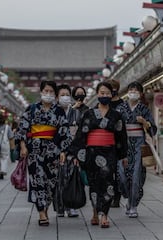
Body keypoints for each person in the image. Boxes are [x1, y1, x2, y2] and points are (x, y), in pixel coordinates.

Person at [68, 82, 128, 228]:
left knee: (108, 183)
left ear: (111, 94)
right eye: (102, 93)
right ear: (97, 94)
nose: (105, 95)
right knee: (94, 183)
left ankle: (105, 215)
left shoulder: (116, 115)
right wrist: (77, 155)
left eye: (107, 93)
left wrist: (123, 155)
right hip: (92, 153)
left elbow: (121, 136)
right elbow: (81, 136)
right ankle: (95, 212)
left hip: (109, 152)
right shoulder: (88, 114)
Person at [15, 80, 72, 227]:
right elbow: (22, 129)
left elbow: (64, 131)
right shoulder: (31, 109)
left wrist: (63, 150)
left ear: (55, 94)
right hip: (34, 151)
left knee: (51, 183)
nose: (48, 94)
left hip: (53, 151)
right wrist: (22, 146)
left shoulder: (59, 111)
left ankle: (45, 208)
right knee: (37, 182)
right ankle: (41, 212)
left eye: (51, 91)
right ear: (41, 92)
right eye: (45, 91)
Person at [116, 81, 157, 218]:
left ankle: (133, 205)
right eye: (131, 90)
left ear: (140, 94)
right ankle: (128, 196)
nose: (133, 92)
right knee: (121, 174)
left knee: (136, 175)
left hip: (139, 145)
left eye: (136, 90)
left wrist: (145, 123)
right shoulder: (120, 108)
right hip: (123, 144)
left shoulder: (144, 109)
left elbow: (153, 129)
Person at [55, 84, 80, 217]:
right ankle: (60, 206)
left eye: (67, 94)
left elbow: (80, 133)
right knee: (59, 178)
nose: (65, 97)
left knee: (71, 176)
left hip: (72, 148)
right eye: (62, 95)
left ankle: (71, 205)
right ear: (57, 97)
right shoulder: (54, 112)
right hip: (57, 149)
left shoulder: (76, 113)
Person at [105, 79, 123, 208]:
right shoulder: (103, 104)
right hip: (106, 141)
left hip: (119, 141)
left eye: (113, 87)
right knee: (107, 172)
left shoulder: (123, 104)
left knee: (118, 172)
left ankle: (117, 196)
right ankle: (109, 196)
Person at [0, 114, 14, 180]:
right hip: (5, 144)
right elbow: (11, 137)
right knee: (4, 158)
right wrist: (12, 147)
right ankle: (3, 170)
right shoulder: (7, 127)